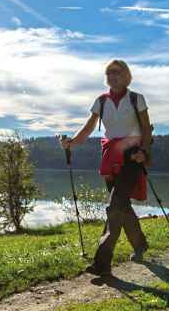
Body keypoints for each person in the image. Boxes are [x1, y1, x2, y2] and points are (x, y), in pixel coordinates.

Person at [60, 59, 153, 276]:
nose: (112, 76)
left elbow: (146, 129)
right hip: (110, 156)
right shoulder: (101, 101)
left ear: (126, 75)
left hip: (132, 156)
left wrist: (145, 151)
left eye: (117, 72)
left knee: (114, 207)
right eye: (109, 73)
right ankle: (140, 244)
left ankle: (102, 264)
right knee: (122, 206)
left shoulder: (135, 98)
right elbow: (89, 128)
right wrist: (71, 142)